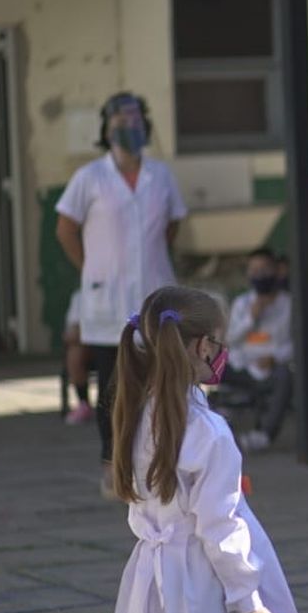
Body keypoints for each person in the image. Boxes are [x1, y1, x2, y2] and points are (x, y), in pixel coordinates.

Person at [109, 286, 307, 613]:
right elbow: (220, 521)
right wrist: (247, 598)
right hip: (194, 581)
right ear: (202, 346)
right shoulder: (207, 432)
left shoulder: (139, 411)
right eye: (218, 342)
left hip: (150, 574)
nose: (222, 352)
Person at [56, 92, 188, 498]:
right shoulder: (90, 177)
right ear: (106, 129)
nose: (128, 127)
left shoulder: (161, 175)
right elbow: (65, 229)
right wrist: (93, 268)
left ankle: (159, 463)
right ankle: (112, 466)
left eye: (134, 119)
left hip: (152, 293)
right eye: (119, 121)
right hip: (106, 300)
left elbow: (171, 226)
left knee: (159, 380)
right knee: (113, 386)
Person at [221, 247, 294, 453]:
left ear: (276, 271)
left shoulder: (288, 304)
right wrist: (251, 318)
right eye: (254, 271)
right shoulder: (242, 304)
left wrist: (274, 358)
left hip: (271, 367)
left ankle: (263, 435)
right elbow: (230, 340)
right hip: (242, 366)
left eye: (264, 270)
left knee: (285, 377)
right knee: (209, 371)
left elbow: (294, 344)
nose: (259, 276)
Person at [63, 289, 92, 426]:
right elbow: (71, 332)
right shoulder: (79, 297)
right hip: (91, 346)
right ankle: (83, 403)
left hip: (118, 344)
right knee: (74, 352)